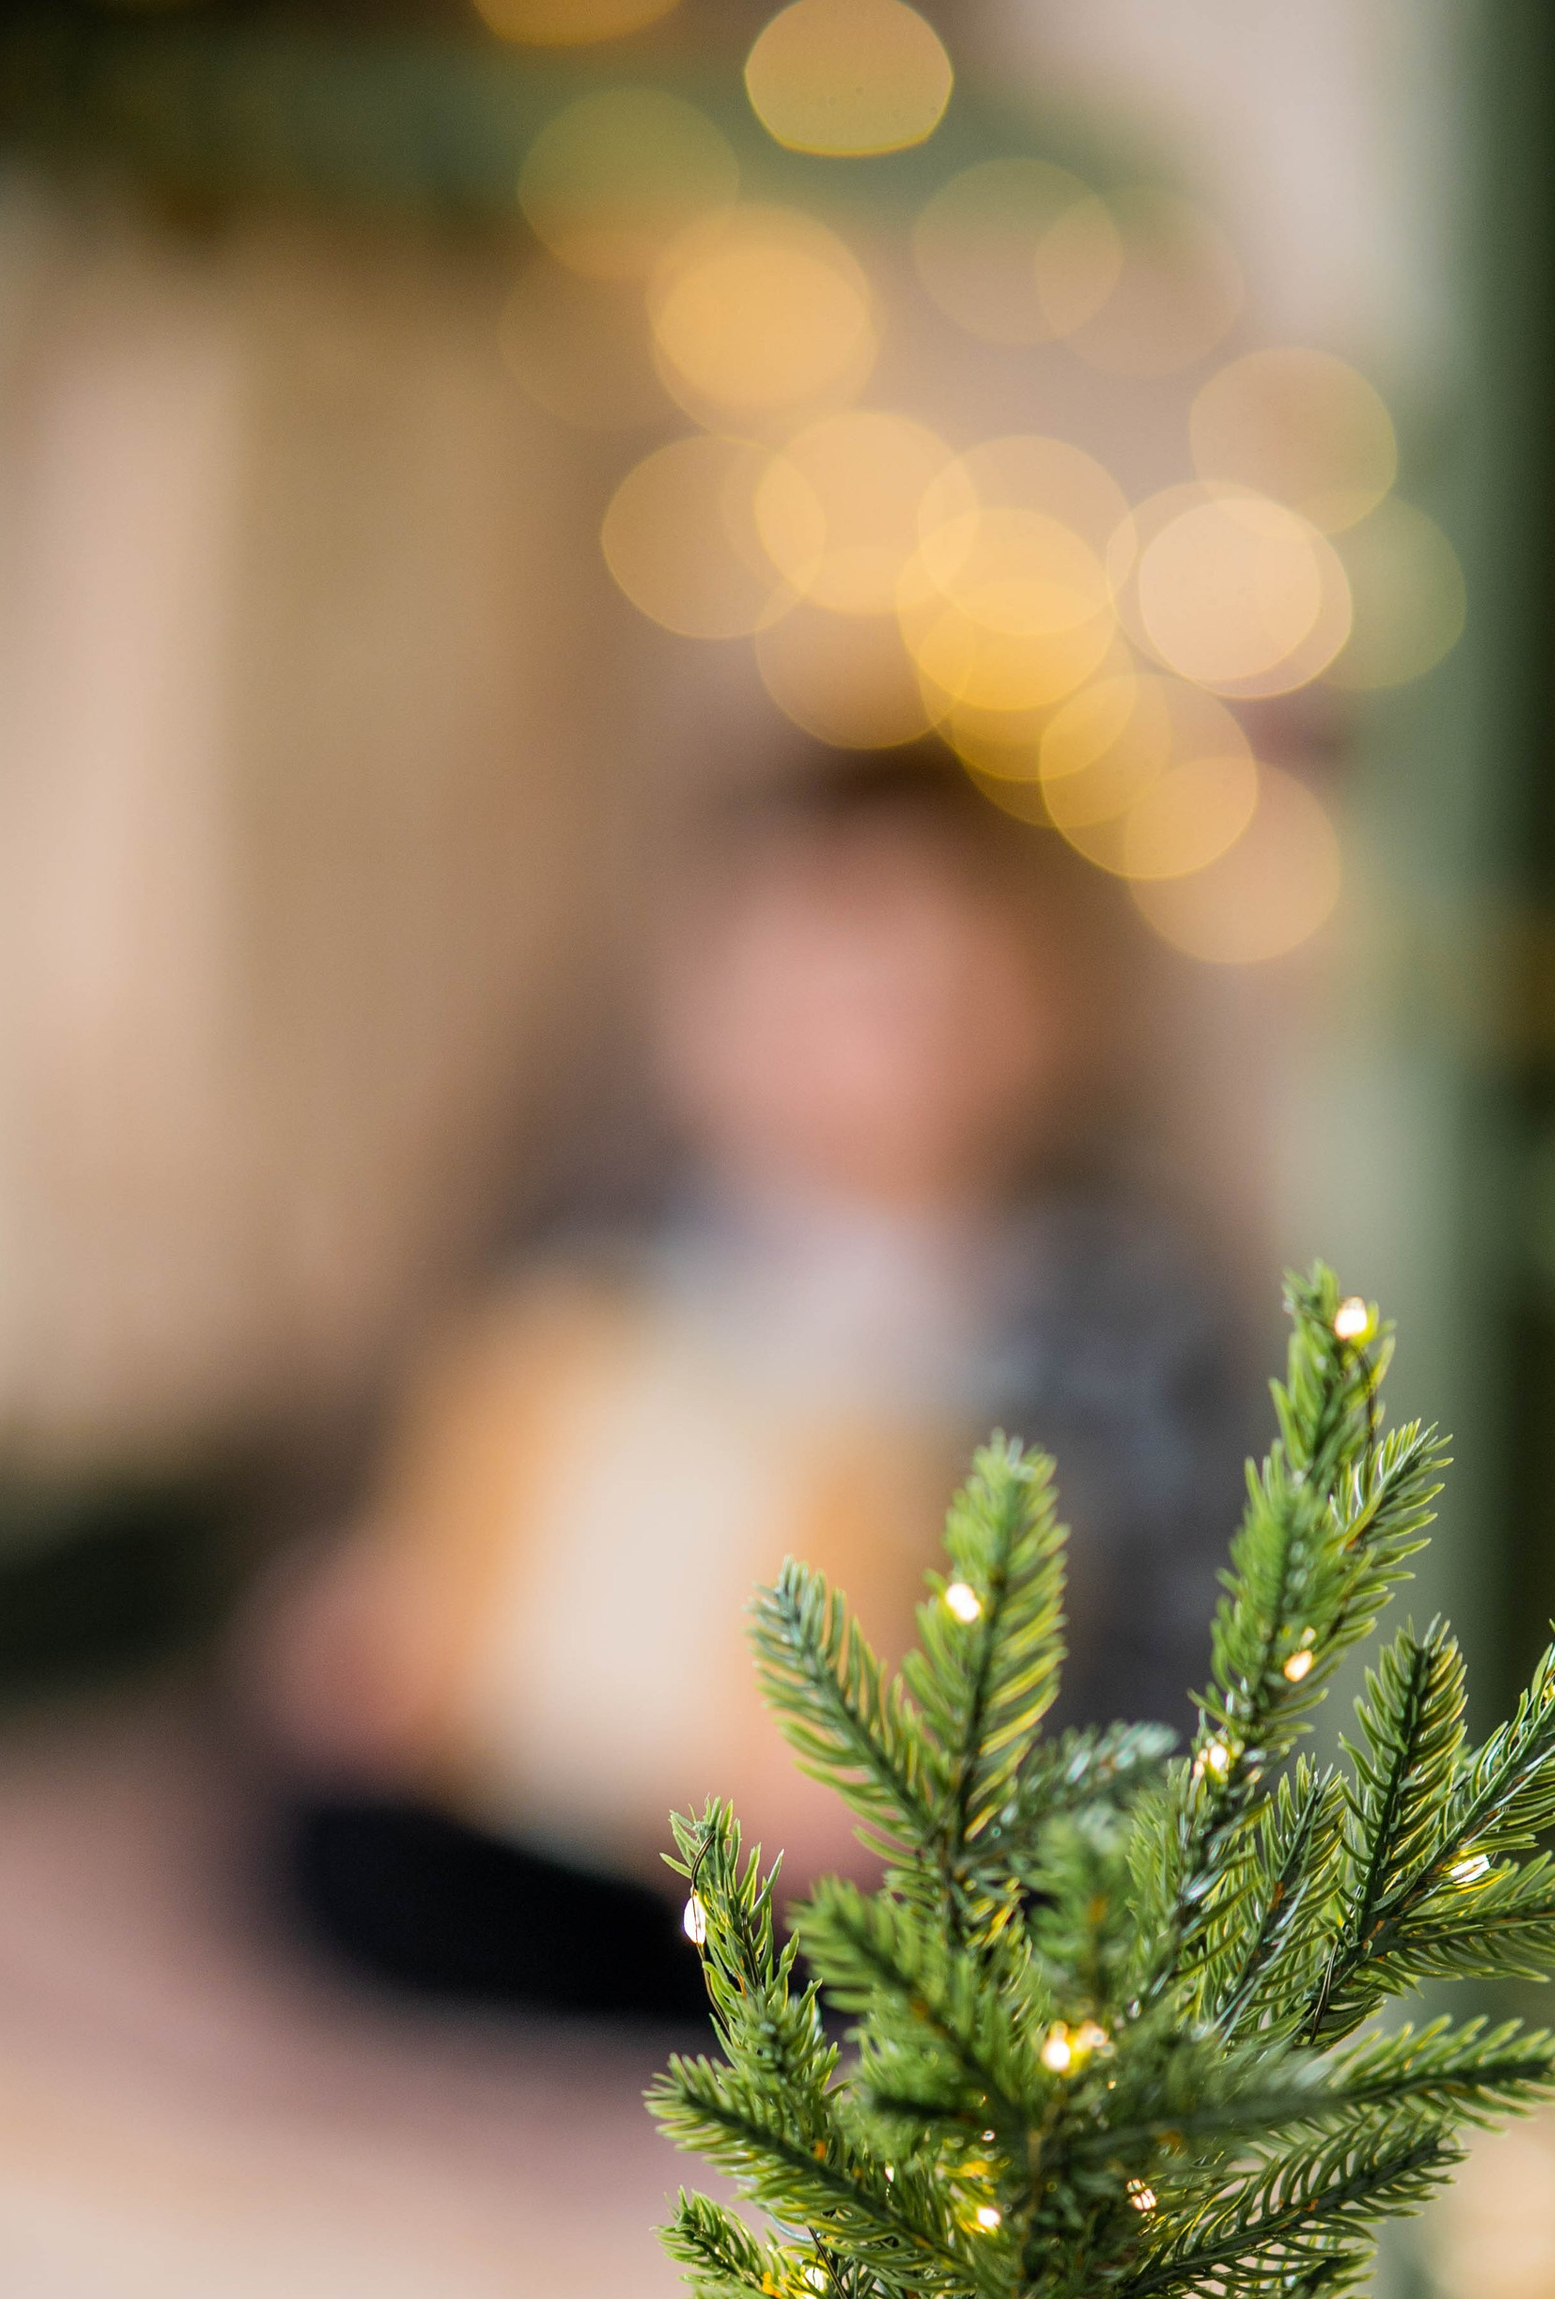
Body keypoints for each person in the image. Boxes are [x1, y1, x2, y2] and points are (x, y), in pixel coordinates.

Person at [242, 750, 1263, 2022]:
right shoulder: (603, 1246)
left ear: (1043, 1019)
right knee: (339, 1838)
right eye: (788, 1005)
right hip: (584, 1813)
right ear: (692, 1017)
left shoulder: (1114, 1314)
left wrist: (942, 1793)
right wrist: (370, 1632)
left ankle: (773, 1995)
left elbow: (1176, 1652)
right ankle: (669, 1984)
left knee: (1006, 1935)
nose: (839, 1061)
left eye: (904, 1008)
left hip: (885, 1858)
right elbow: (451, 1530)